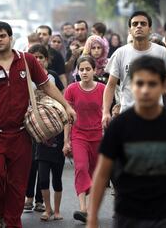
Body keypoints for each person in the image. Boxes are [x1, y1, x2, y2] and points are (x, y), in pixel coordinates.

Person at [0, 21, 76, 228]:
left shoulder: (26, 61)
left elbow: (46, 86)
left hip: (21, 134)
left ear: (10, 38)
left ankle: (11, 221)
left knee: (17, 184)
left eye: (2, 35)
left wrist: (67, 106)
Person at [87, 55, 166, 228]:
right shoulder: (119, 126)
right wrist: (92, 218)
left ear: (163, 86)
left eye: (152, 84)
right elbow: (102, 174)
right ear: (131, 86)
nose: (145, 90)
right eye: (140, 83)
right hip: (128, 215)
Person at [102, 11, 166, 129]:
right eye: (135, 24)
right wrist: (106, 111)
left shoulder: (162, 52)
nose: (139, 26)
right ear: (130, 30)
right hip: (128, 116)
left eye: (143, 24)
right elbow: (111, 85)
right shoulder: (120, 53)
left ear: (150, 29)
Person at [63, 56, 105, 223]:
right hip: (79, 135)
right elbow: (67, 118)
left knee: (94, 174)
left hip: (98, 136)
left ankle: (91, 208)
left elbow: (107, 113)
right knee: (81, 168)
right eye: (81, 69)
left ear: (94, 70)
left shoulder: (103, 89)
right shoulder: (71, 89)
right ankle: (83, 208)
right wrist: (66, 141)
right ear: (77, 71)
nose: (85, 72)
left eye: (88, 69)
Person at [27, 44, 65, 222]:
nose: (38, 60)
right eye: (34, 57)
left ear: (47, 59)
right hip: (35, 129)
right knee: (39, 171)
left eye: (41, 57)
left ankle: (54, 209)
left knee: (56, 175)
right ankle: (42, 205)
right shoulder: (25, 78)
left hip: (55, 129)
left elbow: (62, 99)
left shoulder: (53, 77)